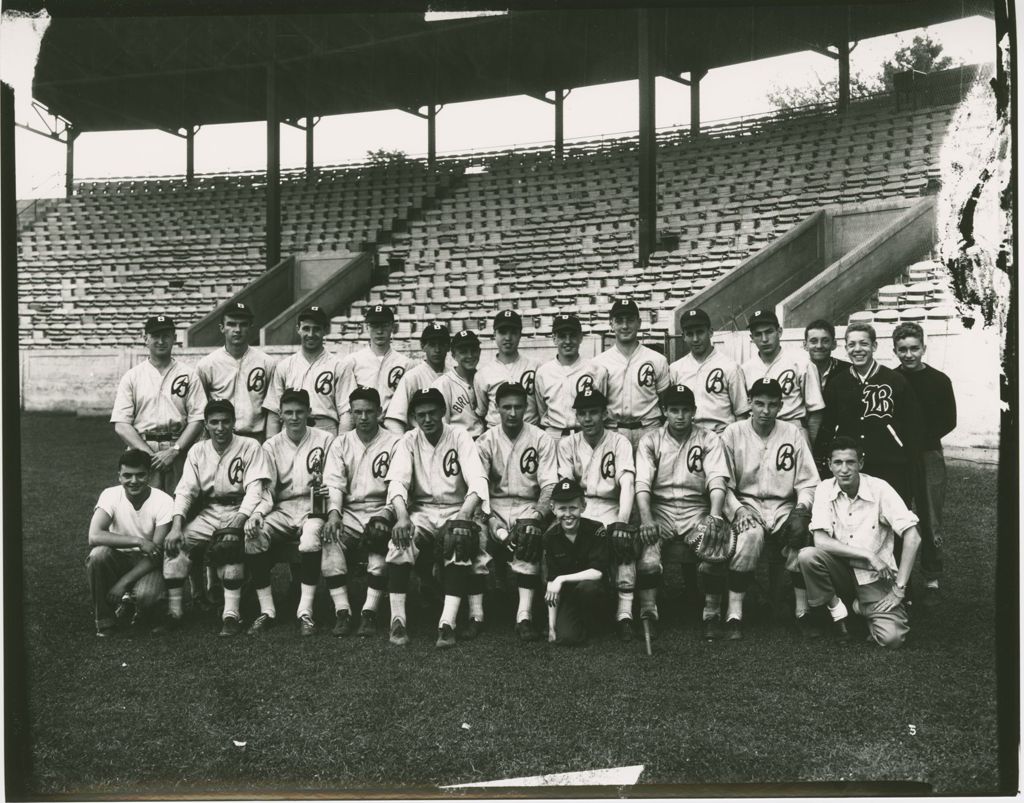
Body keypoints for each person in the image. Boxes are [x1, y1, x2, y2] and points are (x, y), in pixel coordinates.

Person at [385, 388, 491, 648]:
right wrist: (401, 517)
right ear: (413, 417)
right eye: (421, 415)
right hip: (421, 510)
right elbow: (397, 482)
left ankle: (447, 623)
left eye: (433, 413)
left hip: (457, 507)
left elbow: (477, 480)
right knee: (399, 544)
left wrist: (465, 516)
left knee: (459, 539)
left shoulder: (460, 436)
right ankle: (397, 620)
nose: (428, 419)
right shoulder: (409, 440)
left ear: (443, 412)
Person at [717, 379, 818, 640]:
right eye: (759, 403)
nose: (765, 410)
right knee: (749, 537)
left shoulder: (793, 432)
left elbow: (808, 481)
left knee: (800, 539)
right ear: (749, 403)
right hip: (748, 504)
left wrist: (802, 509)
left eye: (772, 405)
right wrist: (738, 510)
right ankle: (734, 613)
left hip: (783, 504)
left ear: (780, 406)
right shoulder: (733, 432)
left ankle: (802, 611)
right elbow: (721, 483)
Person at [160, 399, 271, 636]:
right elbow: (185, 490)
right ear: (206, 426)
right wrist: (177, 526)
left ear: (233, 423)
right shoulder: (198, 450)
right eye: (214, 422)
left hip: (240, 508)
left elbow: (255, 489)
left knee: (231, 551)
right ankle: (174, 611)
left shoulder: (250, 446)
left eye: (225, 422)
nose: (220, 428)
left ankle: (231, 614)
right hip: (209, 511)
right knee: (175, 546)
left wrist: (239, 521)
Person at [798, 436, 921, 648]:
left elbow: (913, 535)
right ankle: (836, 609)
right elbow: (821, 541)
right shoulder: (824, 488)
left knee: (892, 639)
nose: (844, 469)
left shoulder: (880, 488)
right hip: (840, 571)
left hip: (874, 577)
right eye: (837, 463)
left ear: (861, 463)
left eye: (850, 462)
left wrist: (899, 588)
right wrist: (868, 555)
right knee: (807, 556)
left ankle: (858, 608)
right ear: (829, 465)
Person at [634, 384, 730, 634]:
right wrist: (646, 519)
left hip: (696, 508)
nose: (680, 416)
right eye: (674, 410)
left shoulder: (708, 438)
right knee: (648, 558)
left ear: (694, 411)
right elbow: (642, 484)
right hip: (661, 509)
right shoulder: (651, 439)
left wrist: (715, 515)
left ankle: (712, 613)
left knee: (715, 548)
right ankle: (648, 613)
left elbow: (717, 480)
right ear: (664, 411)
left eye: (685, 410)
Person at [246, 389, 338, 637]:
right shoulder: (271, 445)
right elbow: (267, 490)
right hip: (283, 509)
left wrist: (326, 504)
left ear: (309, 412)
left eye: (300, 412)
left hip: (313, 506)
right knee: (254, 536)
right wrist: (257, 514)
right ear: (280, 414)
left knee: (310, 538)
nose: (295, 417)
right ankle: (267, 611)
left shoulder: (326, 439)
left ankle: (305, 611)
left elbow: (333, 481)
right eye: (289, 412)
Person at [476, 381, 558, 641]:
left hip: (527, 505)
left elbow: (549, 486)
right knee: (473, 539)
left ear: (526, 408)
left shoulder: (541, 438)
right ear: (496, 408)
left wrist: (536, 517)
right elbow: (478, 485)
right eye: (507, 407)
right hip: (495, 506)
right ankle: (474, 614)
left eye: (518, 407)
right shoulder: (486, 440)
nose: (513, 413)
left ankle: (524, 615)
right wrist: (488, 519)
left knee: (530, 539)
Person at [321, 386, 402, 638]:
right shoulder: (341, 443)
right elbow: (334, 483)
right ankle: (342, 611)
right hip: (350, 512)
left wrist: (387, 515)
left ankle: (369, 611)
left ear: (380, 412)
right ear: (351, 414)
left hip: (382, 510)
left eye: (369, 412)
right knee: (329, 539)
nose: (364, 417)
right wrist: (334, 513)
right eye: (358, 412)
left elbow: (398, 485)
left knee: (378, 545)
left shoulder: (396, 442)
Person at [556, 388, 636, 638]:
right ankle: (554, 604)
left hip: (611, 506)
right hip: (581, 506)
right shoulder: (568, 443)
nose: (588, 419)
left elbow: (627, 484)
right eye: (583, 414)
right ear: (577, 417)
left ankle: (624, 613)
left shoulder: (619, 441)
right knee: (555, 539)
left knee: (625, 541)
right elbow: (565, 488)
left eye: (593, 412)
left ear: (604, 414)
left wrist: (622, 521)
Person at [815, 322, 923, 505]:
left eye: (864, 344)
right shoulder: (838, 383)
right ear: (846, 348)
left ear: (874, 346)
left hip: (890, 463)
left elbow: (912, 427)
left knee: (890, 516)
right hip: (851, 465)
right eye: (852, 344)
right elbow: (827, 426)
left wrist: (909, 463)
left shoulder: (895, 381)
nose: (858, 349)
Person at [893, 321, 956, 607]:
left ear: (923, 348)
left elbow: (949, 420)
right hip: (900, 457)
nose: (909, 354)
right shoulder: (891, 379)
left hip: (929, 454)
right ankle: (897, 578)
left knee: (930, 517)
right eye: (903, 349)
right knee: (898, 516)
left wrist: (919, 441)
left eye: (914, 348)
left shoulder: (940, 380)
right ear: (895, 350)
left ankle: (931, 578)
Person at [110, 314, 206, 496]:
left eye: (166, 336)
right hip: (142, 449)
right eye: (155, 336)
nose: (161, 341)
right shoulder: (133, 376)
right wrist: (149, 455)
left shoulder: (188, 374)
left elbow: (198, 419)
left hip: (178, 449)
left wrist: (175, 450)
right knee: (141, 508)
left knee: (179, 505)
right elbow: (121, 425)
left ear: (174, 339)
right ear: (145, 338)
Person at [86, 449, 173, 636]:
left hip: (147, 564)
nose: (133, 481)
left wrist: (123, 583)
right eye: (127, 476)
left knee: (147, 597)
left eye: (140, 475)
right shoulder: (110, 495)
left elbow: (156, 554)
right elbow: (94, 536)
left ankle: (136, 605)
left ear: (149, 475)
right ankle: (105, 621)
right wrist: (139, 541)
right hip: (117, 557)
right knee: (97, 555)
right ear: (119, 476)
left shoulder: (164, 501)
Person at [590, 298, 671, 450]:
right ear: (611, 324)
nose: (625, 326)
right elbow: (595, 406)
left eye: (630, 320)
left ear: (639, 323)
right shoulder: (598, 362)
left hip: (649, 428)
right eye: (619, 321)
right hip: (613, 430)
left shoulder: (657, 359)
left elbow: (665, 403)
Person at [263, 305, 354, 437]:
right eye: (306, 328)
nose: (311, 334)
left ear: (325, 330)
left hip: (325, 429)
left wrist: (341, 444)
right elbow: (274, 413)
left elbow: (346, 412)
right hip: (290, 431)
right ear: (298, 329)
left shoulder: (339, 365)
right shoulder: (284, 366)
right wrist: (271, 445)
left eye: (316, 329)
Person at [742, 309, 825, 445]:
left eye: (769, 332)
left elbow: (815, 411)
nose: (764, 339)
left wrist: (811, 445)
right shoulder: (746, 368)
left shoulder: (801, 363)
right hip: (758, 432)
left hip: (792, 427)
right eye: (758, 334)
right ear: (752, 338)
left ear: (779, 332)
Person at [196, 301, 276, 442]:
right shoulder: (207, 364)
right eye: (231, 324)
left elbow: (272, 408)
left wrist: (270, 442)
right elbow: (199, 408)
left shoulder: (266, 363)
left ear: (250, 327)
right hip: (219, 438)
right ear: (222, 328)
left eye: (243, 324)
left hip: (256, 437)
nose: (237, 329)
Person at [543, 478, 610, 646]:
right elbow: (552, 586)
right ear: (553, 509)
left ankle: (596, 624)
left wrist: (562, 579)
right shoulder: (550, 538)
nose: (567, 514)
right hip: (570, 596)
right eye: (562, 509)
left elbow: (597, 572)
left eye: (573, 508)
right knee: (566, 638)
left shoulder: (596, 530)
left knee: (587, 588)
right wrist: (551, 627)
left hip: (595, 593)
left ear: (583, 507)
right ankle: (578, 626)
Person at [669, 308, 749, 433]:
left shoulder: (730, 366)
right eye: (690, 334)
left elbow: (741, 413)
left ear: (710, 332)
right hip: (688, 437)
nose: (695, 339)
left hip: (721, 434)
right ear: (684, 336)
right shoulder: (676, 368)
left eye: (700, 332)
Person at [534, 312, 610, 440]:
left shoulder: (596, 370)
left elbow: (602, 408)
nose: (568, 341)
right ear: (554, 339)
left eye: (573, 336)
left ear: (580, 337)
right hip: (554, 435)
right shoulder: (543, 372)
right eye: (562, 336)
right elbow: (542, 410)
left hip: (585, 434)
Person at [344, 304, 410, 422]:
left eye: (385, 325)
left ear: (393, 327)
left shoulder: (405, 363)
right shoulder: (352, 361)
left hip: (393, 424)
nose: (380, 331)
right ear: (367, 328)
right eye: (374, 326)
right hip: (361, 424)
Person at [475, 310, 539, 429]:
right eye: (502, 332)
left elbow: (541, 407)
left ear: (520, 334)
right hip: (496, 433)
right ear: (495, 334)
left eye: (513, 332)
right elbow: (482, 412)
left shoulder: (535, 366)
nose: (508, 338)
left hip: (530, 433)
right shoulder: (483, 373)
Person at [384, 322, 450, 433]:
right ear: (423, 346)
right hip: (421, 442)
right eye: (432, 344)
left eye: (441, 344)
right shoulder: (412, 377)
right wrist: (404, 446)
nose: (437, 349)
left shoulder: (454, 375)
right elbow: (393, 420)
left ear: (448, 347)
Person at [432, 329, 485, 438]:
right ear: (453, 355)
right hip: (459, 444)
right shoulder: (443, 384)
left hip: (484, 443)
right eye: (463, 352)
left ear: (479, 352)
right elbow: (441, 426)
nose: (470, 356)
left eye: (473, 350)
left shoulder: (485, 378)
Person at [802, 319, 850, 391]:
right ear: (805, 345)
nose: (819, 346)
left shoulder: (848, 370)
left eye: (825, 341)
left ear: (834, 344)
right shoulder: (799, 371)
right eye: (814, 341)